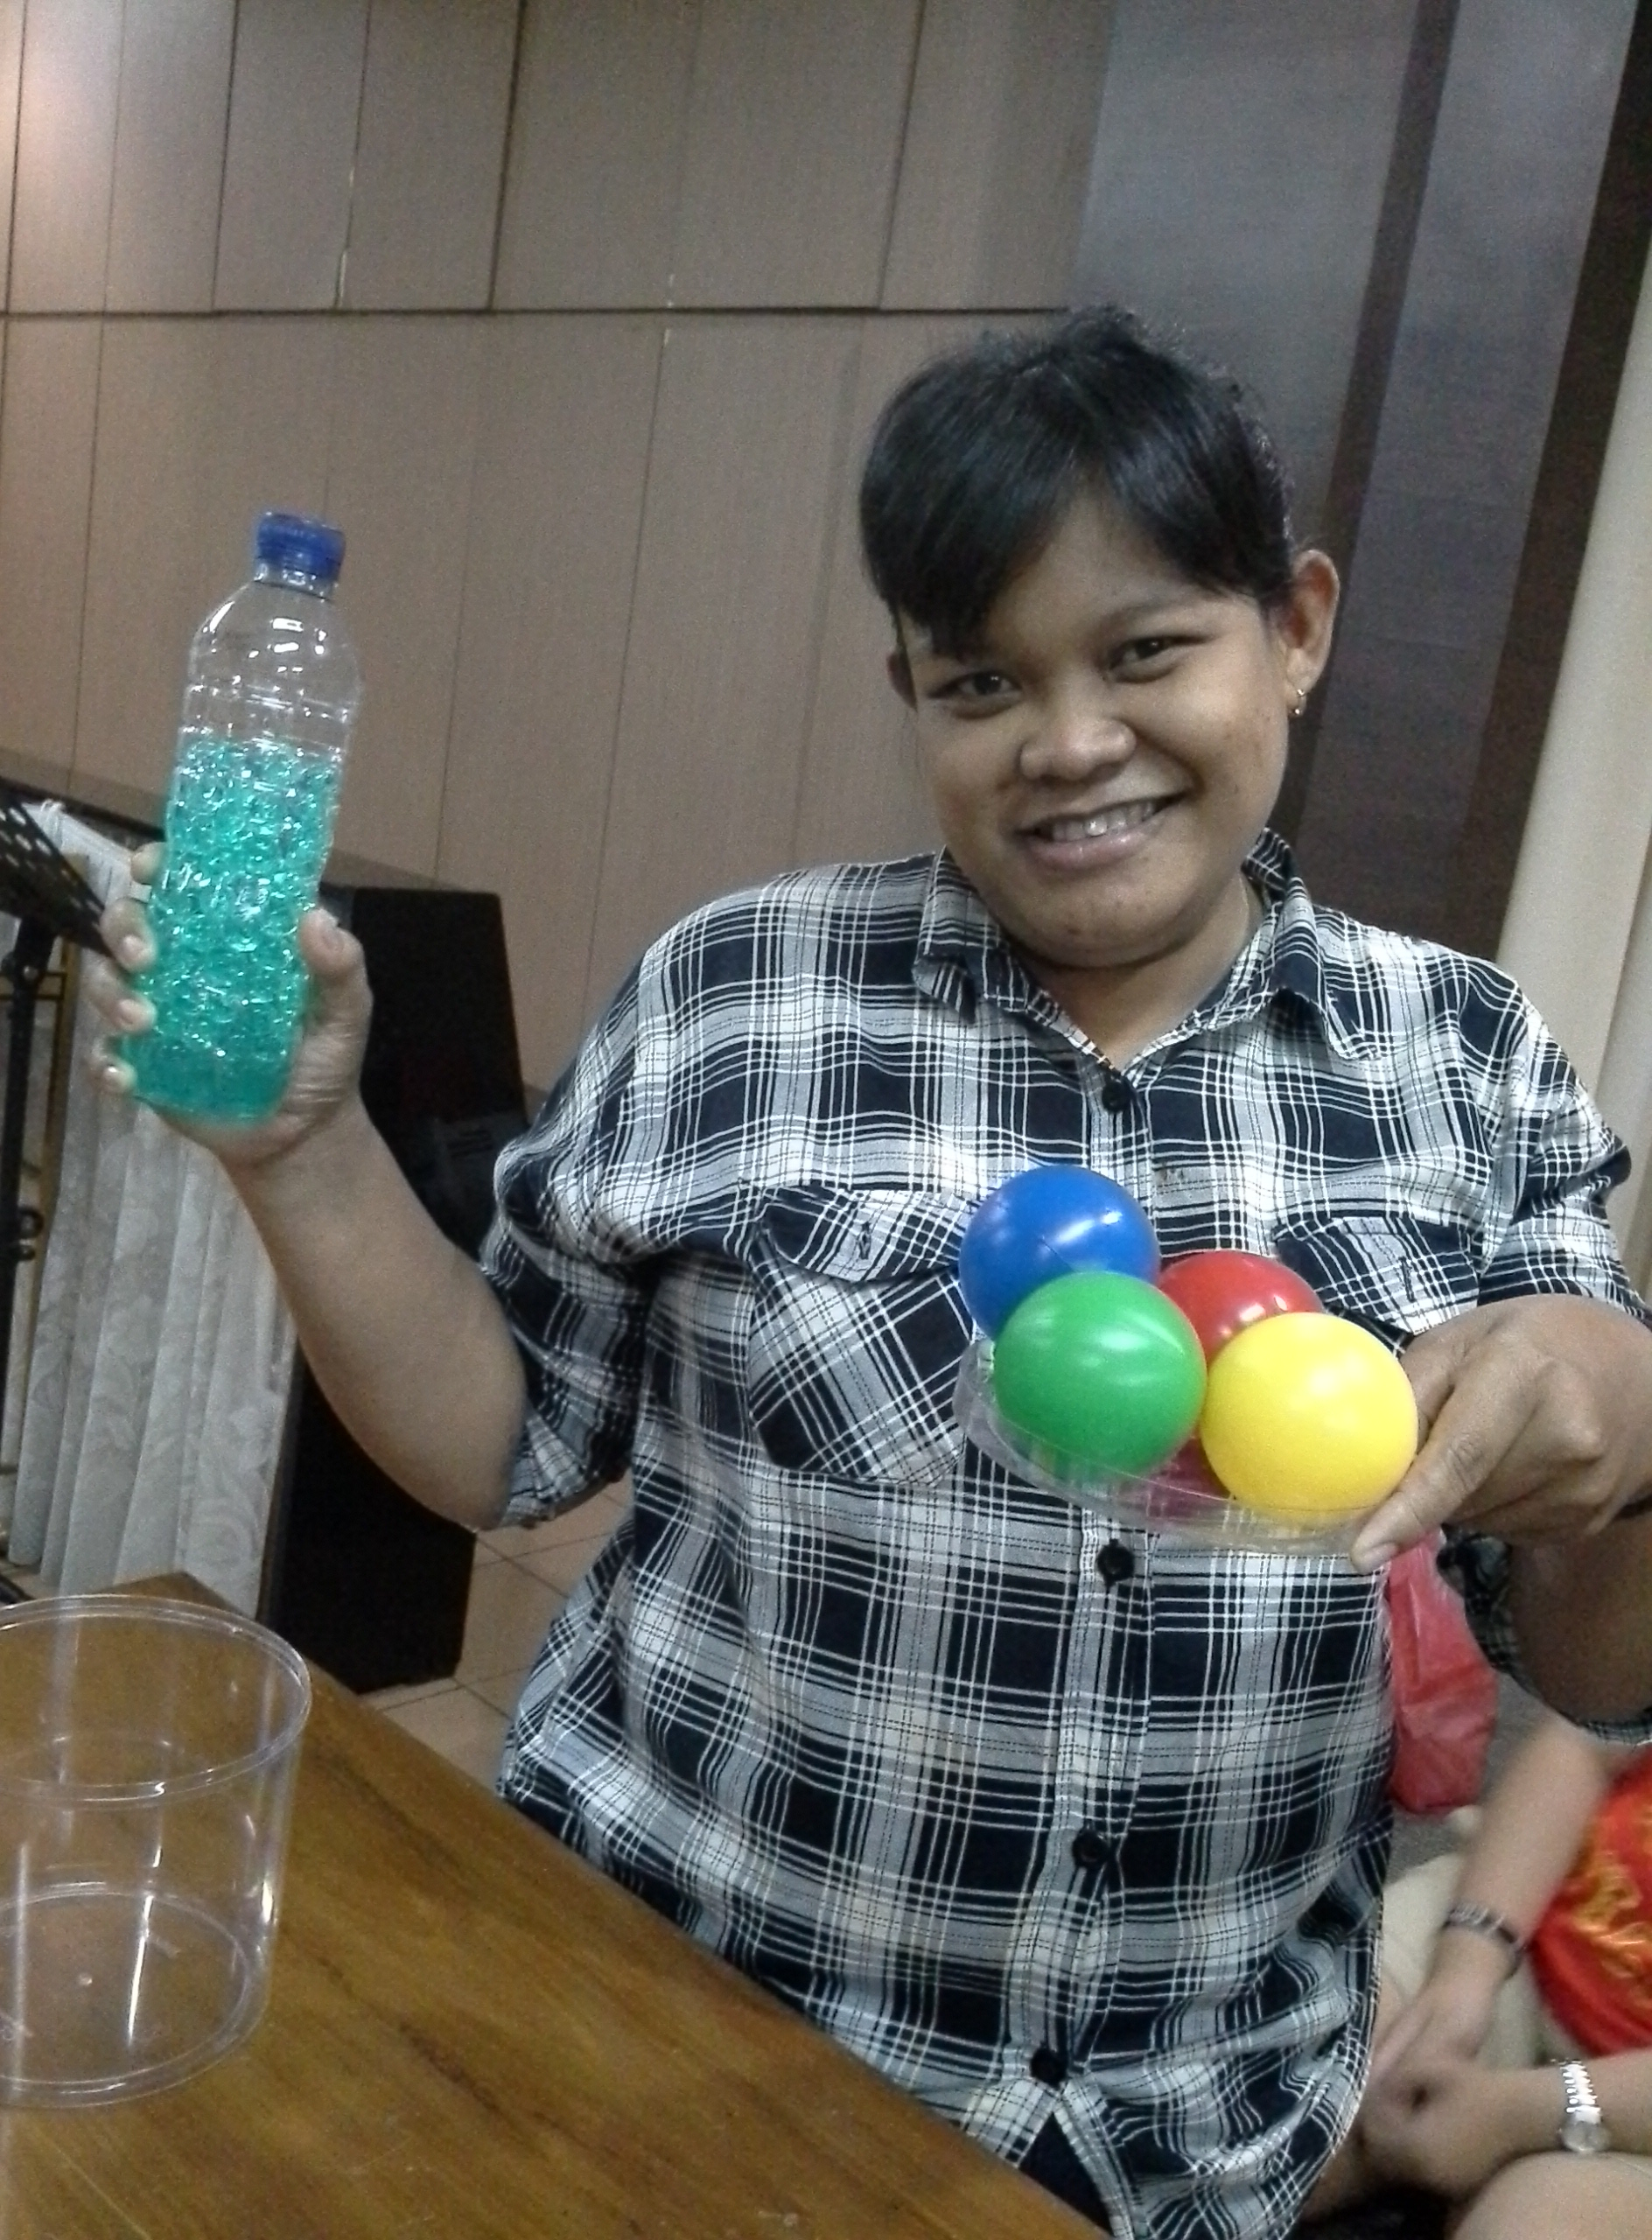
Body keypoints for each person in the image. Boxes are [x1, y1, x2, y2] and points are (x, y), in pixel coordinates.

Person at [83, 309, 1652, 2240]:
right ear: (909, 687)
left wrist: (1633, 1428)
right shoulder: (741, 994)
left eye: (1146, 651)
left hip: (1192, 2142)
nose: (1069, 742)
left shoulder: (1467, 1061)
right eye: (983, 680)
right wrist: (303, 1151)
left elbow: (1596, 1661)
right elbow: (504, 1444)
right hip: (674, 2039)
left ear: (1297, 628)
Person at [1353, 1712, 1652, 2234]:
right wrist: (1464, 1974)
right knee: (1273, 2089)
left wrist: (1519, 2112)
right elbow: (1585, 1743)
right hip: (1528, 1916)